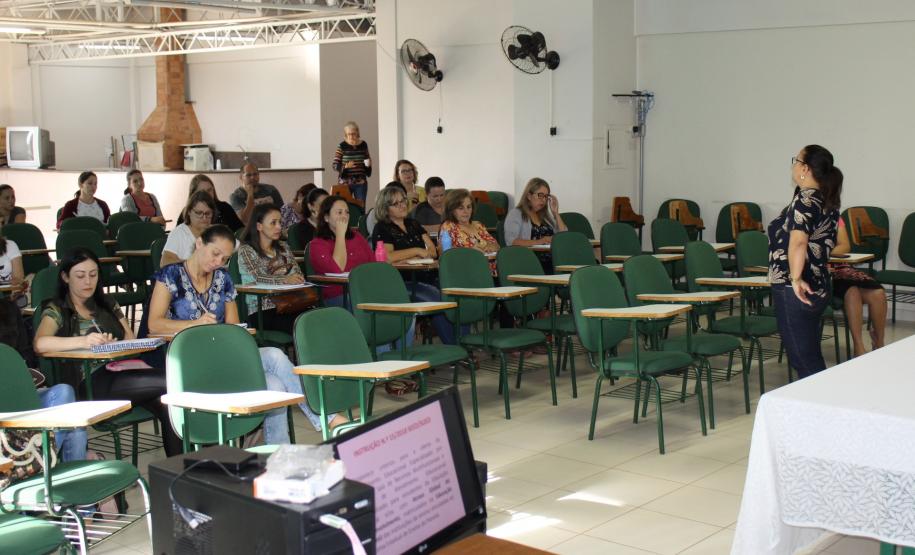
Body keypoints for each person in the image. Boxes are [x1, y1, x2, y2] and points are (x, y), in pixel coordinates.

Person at [147, 224, 342, 441]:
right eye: (215, 253)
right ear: (199, 243)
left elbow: (233, 326)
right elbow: (154, 324)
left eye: (225, 258)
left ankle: (280, 456)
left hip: (225, 355)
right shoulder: (170, 275)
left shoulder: (223, 279)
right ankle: (325, 417)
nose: (219, 262)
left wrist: (236, 332)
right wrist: (193, 325)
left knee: (276, 384)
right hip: (190, 362)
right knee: (275, 361)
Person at [33, 248, 182, 456]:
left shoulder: (108, 304)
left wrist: (115, 345)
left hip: (120, 374)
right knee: (176, 383)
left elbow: (131, 340)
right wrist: (85, 341)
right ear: (66, 277)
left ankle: (179, 474)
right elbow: (40, 344)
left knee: (170, 405)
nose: (88, 282)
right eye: (80, 276)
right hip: (88, 383)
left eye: (93, 275)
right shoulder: (57, 309)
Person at [768, 145, 843, 378]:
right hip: (817, 284)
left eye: (796, 160)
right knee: (810, 356)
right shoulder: (825, 198)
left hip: (796, 288)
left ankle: (823, 411)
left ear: (805, 168)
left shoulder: (806, 199)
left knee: (804, 362)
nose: (793, 165)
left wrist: (795, 278)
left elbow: (799, 242)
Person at [0, 298, 86, 462]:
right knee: (69, 422)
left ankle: (46, 464)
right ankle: (39, 464)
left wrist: (26, 373)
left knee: (65, 394)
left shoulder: (8, 308)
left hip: (22, 396)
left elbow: (25, 353)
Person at [371, 186, 456, 345]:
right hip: (404, 282)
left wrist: (410, 255)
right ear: (385, 208)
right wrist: (416, 251)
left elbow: (431, 250)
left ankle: (462, 342)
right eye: (396, 204)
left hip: (428, 275)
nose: (402, 205)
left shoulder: (413, 224)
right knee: (437, 299)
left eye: (403, 200)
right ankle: (454, 346)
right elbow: (389, 257)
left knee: (456, 294)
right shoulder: (382, 228)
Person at [238, 204, 309, 331]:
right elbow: (258, 278)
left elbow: (296, 272)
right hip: (262, 310)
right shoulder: (247, 250)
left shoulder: (283, 247)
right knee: (303, 325)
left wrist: (296, 278)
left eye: (280, 222)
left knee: (317, 317)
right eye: (273, 223)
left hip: (290, 303)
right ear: (259, 226)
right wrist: (285, 279)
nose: (279, 227)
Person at [832, 217, 887, 357]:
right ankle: (858, 347)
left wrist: (823, 253)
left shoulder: (836, 218)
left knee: (878, 293)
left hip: (842, 268)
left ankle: (879, 342)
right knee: (852, 292)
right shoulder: (802, 218)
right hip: (821, 273)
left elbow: (845, 246)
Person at [309, 196, 374, 308]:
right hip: (339, 295)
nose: (344, 216)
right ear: (326, 217)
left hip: (364, 290)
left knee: (396, 301)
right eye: (339, 212)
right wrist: (340, 235)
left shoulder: (356, 237)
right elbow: (338, 268)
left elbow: (373, 263)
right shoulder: (317, 244)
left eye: (347, 212)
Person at [504, 177, 567, 270]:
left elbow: (564, 236)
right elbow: (511, 241)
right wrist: (539, 241)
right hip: (530, 262)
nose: (543, 200)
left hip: (553, 261)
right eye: (540, 195)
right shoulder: (516, 214)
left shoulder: (546, 216)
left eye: (546, 196)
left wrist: (555, 213)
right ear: (529, 196)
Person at [439, 189, 500, 272]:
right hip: (466, 271)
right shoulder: (448, 226)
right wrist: (470, 252)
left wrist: (490, 247)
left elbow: (496, 245)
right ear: (451, 210)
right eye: (461, 208)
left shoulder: (478, 225)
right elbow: (447, 254)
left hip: (490, 271)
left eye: (469, 207)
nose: (466, 211)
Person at [161, 191, 216, 267]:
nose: (204, 217)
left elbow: (236, 249)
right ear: (189, 212)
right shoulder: (179, 233)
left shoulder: (216, 232)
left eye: (208, 213)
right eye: (199, 213)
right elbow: (165, 262)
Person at [178, 174, 244, 232]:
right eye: (202, 191)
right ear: (194, 194)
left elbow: (240, 231)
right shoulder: (187, 212)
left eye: (209, 190)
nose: (207, 194)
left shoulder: (225, 208)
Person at [332, 121, 372, 206]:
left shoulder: (363, 144)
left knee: (360, 207)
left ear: (358, 133)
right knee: (345, 206)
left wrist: (368, 164)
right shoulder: (342, 146)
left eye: (353, 133)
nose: (352, 136)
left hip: (360, 183)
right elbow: (335, 165)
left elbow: (367, 159)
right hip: (345, 183)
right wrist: (345, 167)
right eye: (349, 134)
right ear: (345, 135)